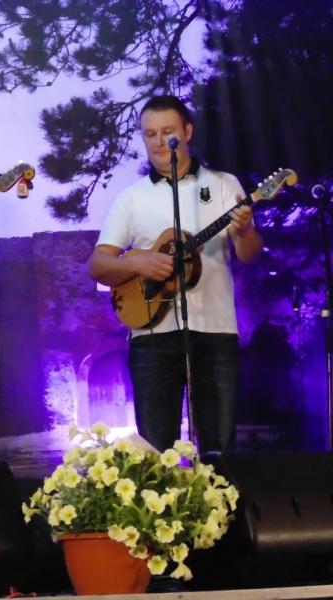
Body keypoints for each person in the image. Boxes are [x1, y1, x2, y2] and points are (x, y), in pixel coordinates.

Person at [87, 95, 263, 454]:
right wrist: (138, 264)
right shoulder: (131, 198)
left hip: (215, 331)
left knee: (220, 448)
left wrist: (244, 231)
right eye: (149, 133)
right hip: (152, 334)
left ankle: (227, 511)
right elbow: (98, 266)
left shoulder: (224, 185)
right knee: (154, 450)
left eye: (167, 132)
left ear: (187, 132)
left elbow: (249, 255)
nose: (157, 141)